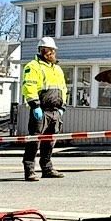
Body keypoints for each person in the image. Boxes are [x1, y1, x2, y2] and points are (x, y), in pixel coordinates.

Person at [21, 36, 68, 181]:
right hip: (41, 109)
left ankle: (47, 168)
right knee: (34, 140)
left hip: (55, 111)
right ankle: (29, 170)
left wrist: (62, 107)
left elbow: (63, 89)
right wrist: (35, 106)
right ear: (42, 51)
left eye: (53, 50)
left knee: (50, 141)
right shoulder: (33, 66)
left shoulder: (58, 69)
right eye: (49, 50)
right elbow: (29, 86)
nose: (52, 53)